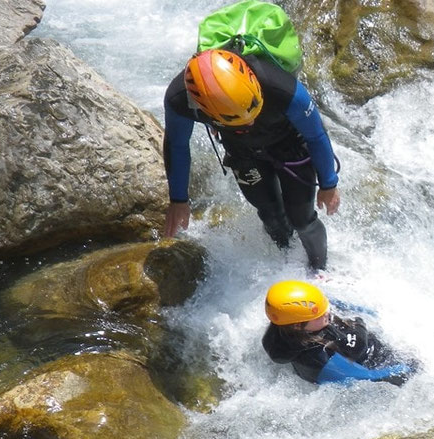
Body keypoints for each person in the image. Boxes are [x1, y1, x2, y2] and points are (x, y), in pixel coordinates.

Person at [161, 48, 340, 270]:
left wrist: (329, 183)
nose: (250, 123)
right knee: (271, 216)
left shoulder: (280, 88)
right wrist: (179, 200)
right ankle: (287, 263)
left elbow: (316, 135)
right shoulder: (180, 100)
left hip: (289, 144)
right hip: (243, 153)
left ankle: (319, 270)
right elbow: (177, 145)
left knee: (302, 220)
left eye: (253, 111)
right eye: (241, 121)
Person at [262, 280, 417, 386]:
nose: (327, 312)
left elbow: (329, 307)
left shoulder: (285, 323)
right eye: (319, 314)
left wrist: (378, 313)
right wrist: (411, 369)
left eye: (324, 305)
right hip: (366, 364)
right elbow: (370, 379)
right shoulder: (320, 359)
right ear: (297, 326)